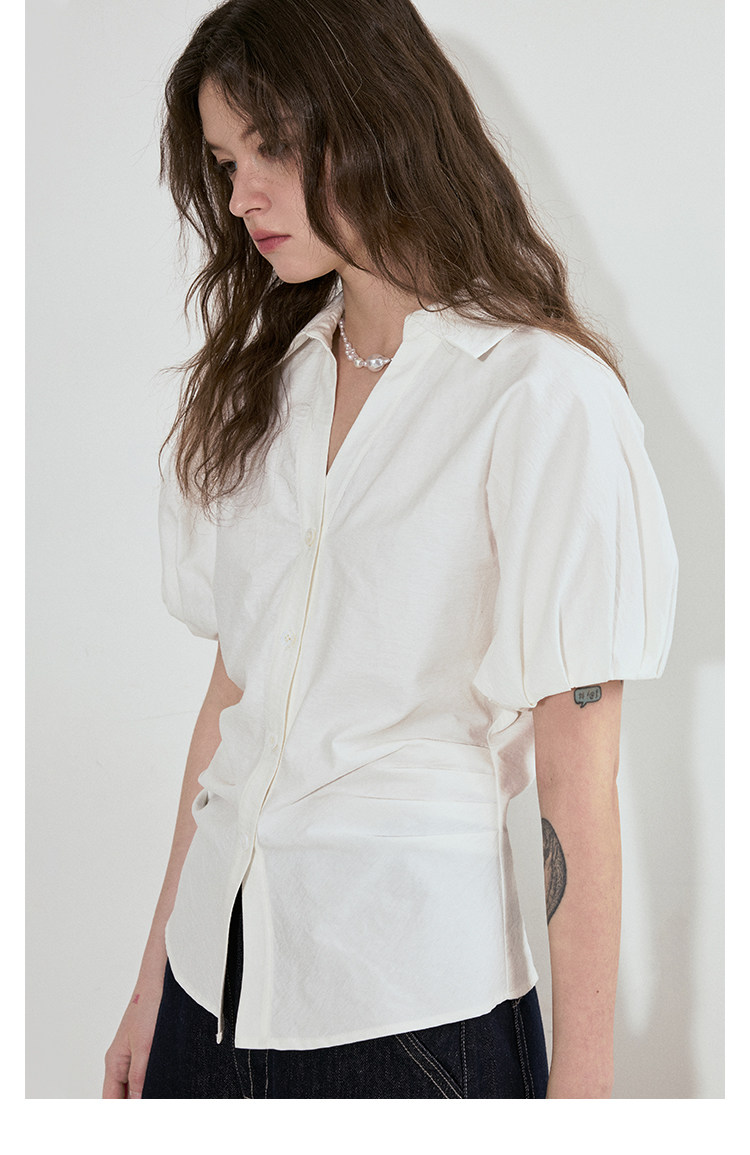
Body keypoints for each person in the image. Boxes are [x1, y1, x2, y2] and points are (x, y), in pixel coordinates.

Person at [103, 0, 678, 1099]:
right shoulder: (265, 392)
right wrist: (148, 989)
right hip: (204, 993)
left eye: (270, 146)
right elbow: (234, 703)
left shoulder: (539, 397)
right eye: (225, 162)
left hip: (410, 1019)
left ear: (376, 120)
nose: (242, 195)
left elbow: (578, 767)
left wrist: (586, 1096)